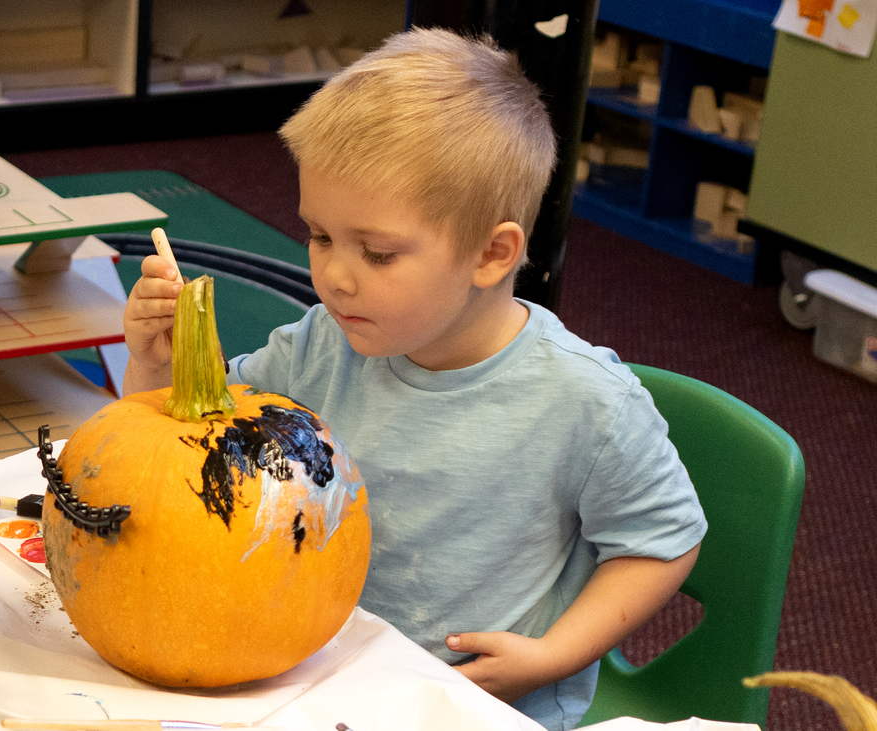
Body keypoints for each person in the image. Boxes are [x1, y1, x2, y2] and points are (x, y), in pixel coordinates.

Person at [122, 27, 706, 731]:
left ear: (492, 254)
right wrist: (157, 362)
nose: (334, 275)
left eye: (377, 252)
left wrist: (551, 655)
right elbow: (197, 448)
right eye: (320, 236)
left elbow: (664, 540)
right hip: (318, 677)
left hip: (474, 709)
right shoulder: (323, 341)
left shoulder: (587, 402)